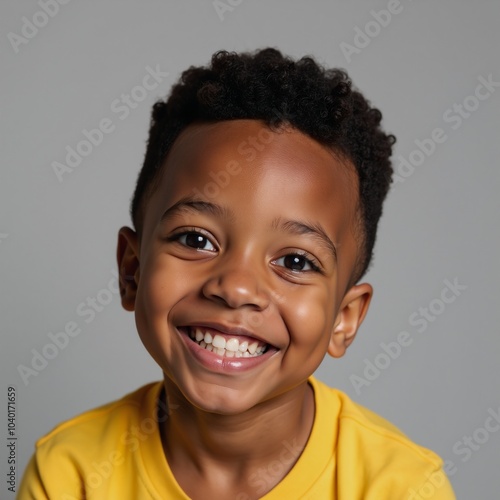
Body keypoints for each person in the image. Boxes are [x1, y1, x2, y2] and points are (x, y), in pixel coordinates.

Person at [18, 48, 456, 499]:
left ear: (344, 318)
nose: (237, 288)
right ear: (132, 270)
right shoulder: (70, 474)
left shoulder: (400, 487)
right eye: (196, 239)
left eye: (296, 262)